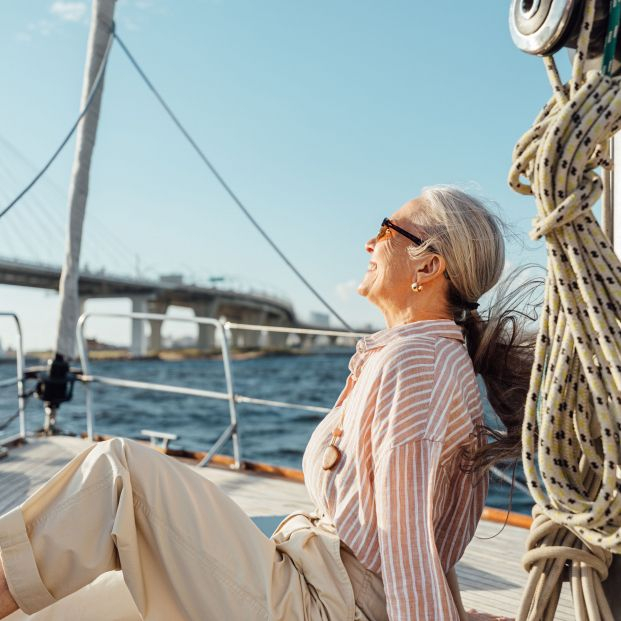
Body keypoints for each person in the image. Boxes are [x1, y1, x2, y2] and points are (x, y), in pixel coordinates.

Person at [0, 186, 533, 621]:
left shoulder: (418, 364)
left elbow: (407, 545)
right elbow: (420, 536)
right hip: (306, 578)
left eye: (384, 231)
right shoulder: (423, 354)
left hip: (322, 605)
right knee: (72, 602)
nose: (368, 245)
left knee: (118, 475)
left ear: (428, 267)